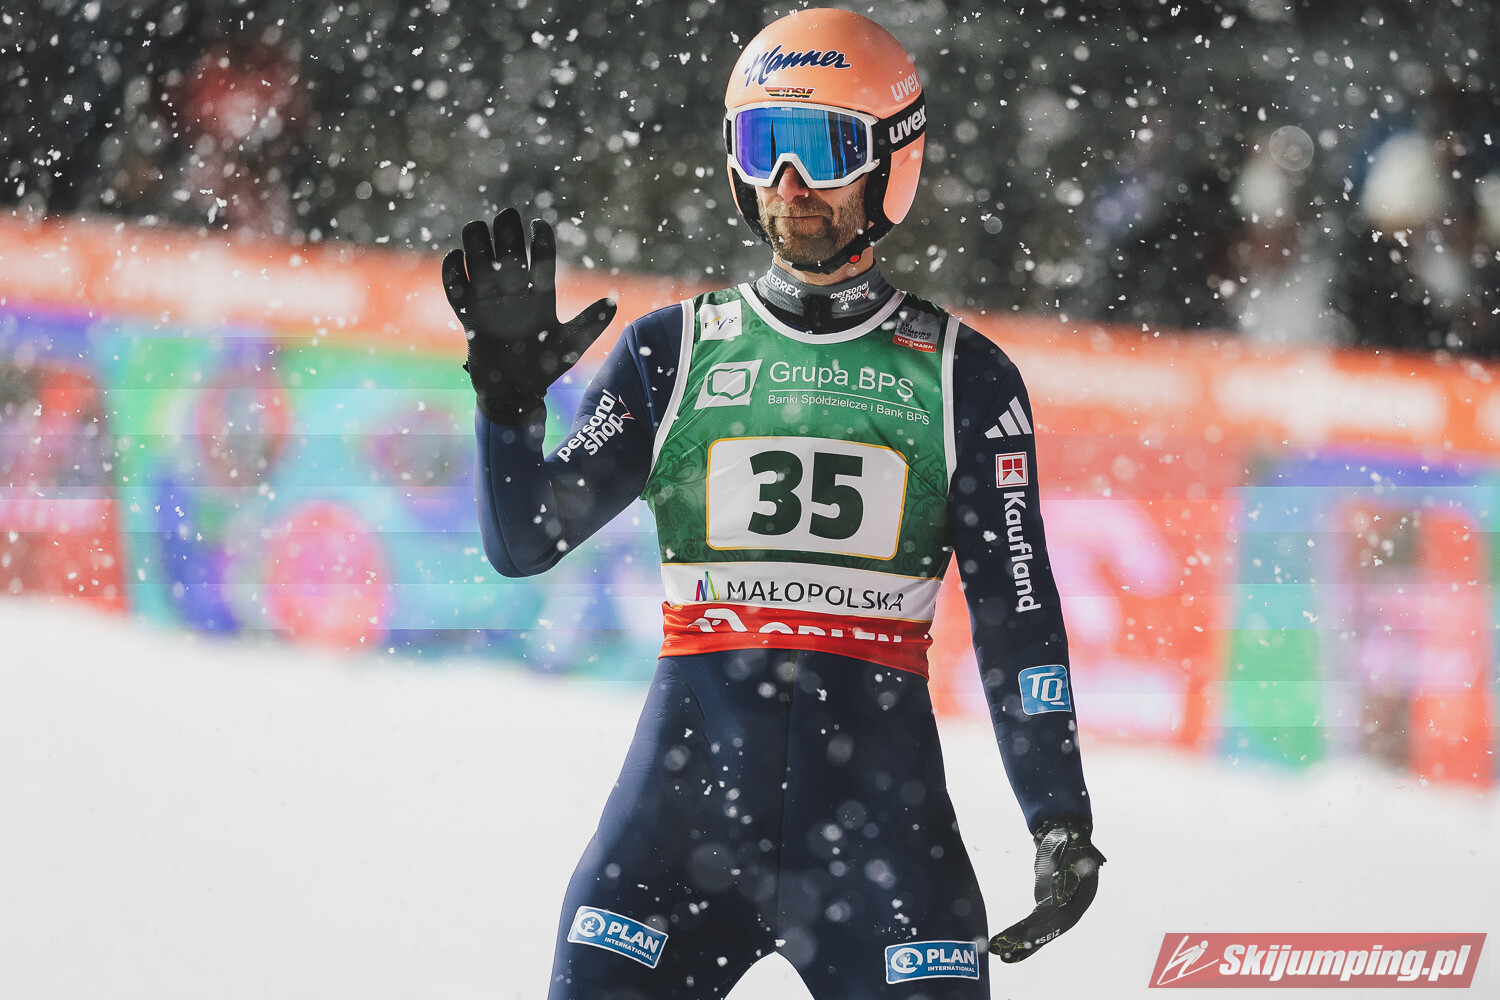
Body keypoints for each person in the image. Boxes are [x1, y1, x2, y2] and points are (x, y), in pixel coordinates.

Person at [442, 10, 1103, 998]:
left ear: (892, 162)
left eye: (823, 149)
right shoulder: (671, 351)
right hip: (676, 838)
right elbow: (524, 543)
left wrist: (1058, 814)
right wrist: (506, 411)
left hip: (881, 850)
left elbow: (1018, 615)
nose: (789, 184)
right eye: (763, 147)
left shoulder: (965, 378)